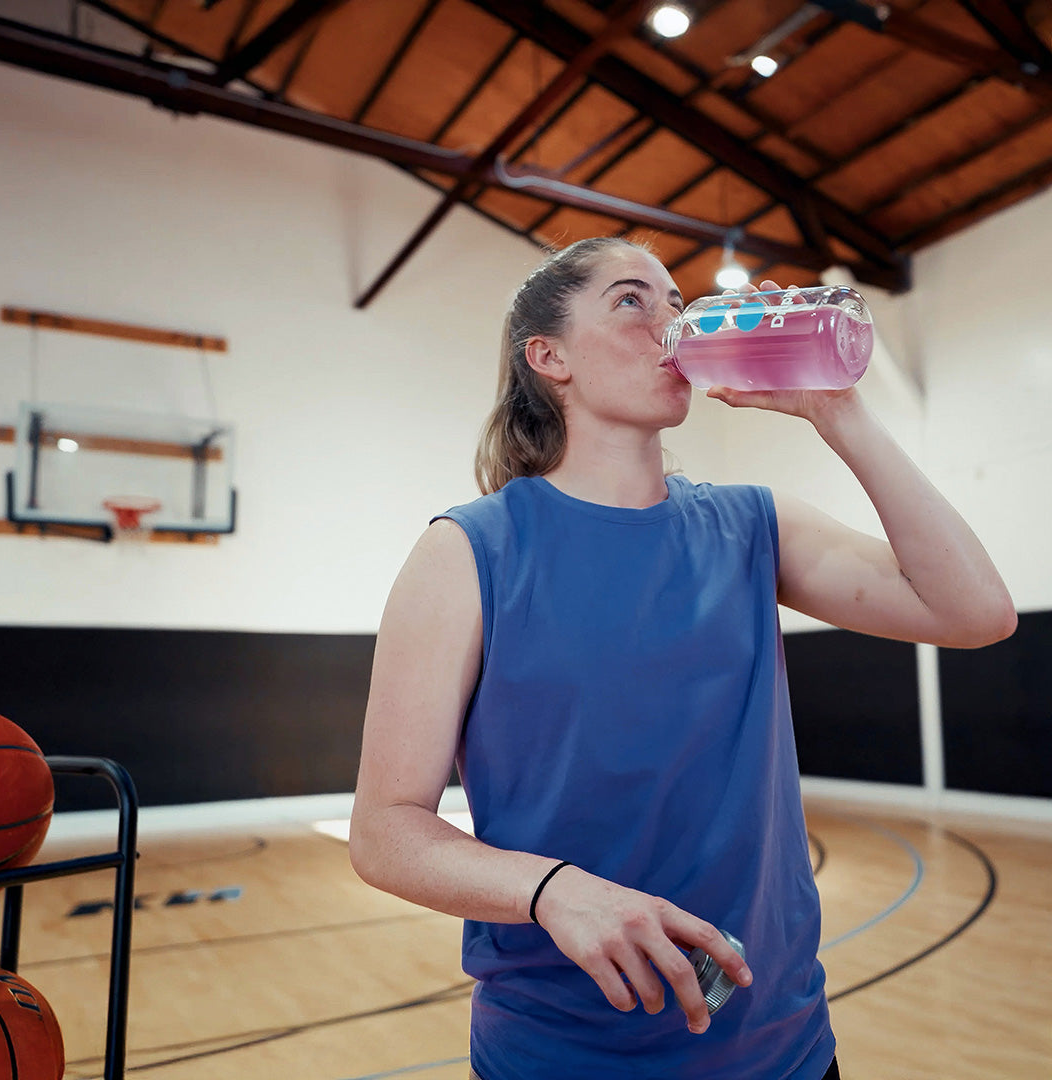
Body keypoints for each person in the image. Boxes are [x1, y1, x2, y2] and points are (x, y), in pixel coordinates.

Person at [349, 236, 1015, 1080]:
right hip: (562, 1055)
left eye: (674, 299)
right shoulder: (468, 551)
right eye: (632, 300)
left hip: (786, 1047)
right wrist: (552, 889)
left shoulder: (755, 525)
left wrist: (838, 412)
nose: (670, 321)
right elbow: (384, 830)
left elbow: (976, 611)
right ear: (548, 357)